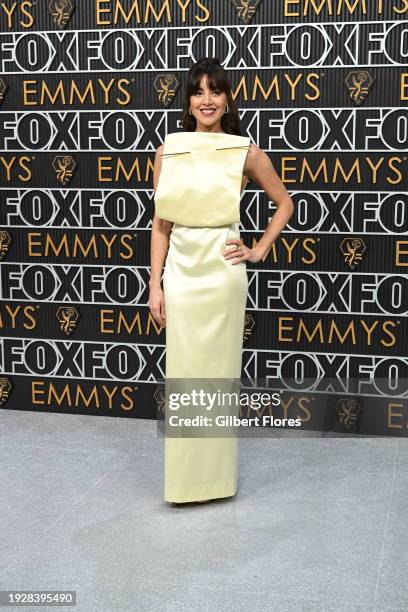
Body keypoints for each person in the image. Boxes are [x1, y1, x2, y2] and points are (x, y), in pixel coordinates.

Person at [149, 57, 294, 505]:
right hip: (183, 274)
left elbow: (284, 203)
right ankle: (184, 484)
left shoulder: (243, 150)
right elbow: (161, 226)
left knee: (219, 376)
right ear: (188, 101)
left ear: (227, 97)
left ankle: (216, 482)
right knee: (185, 375)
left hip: (224, 275)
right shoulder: (168, 149)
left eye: (215, 90)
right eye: (198, 91)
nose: (207, 99)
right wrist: (155, 284)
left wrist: (259, 248)